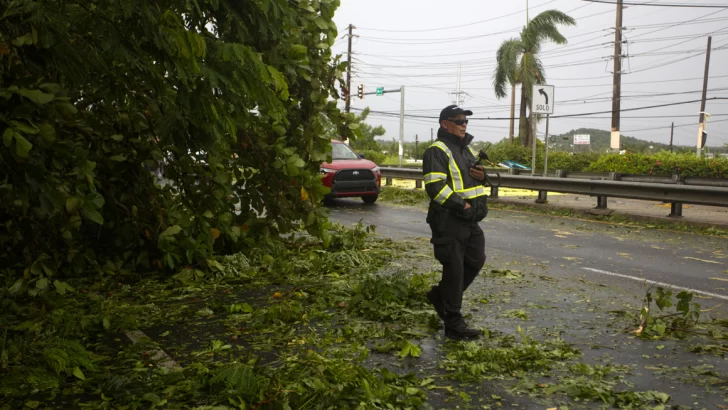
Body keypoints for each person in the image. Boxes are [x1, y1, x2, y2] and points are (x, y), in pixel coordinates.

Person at [422, 104, 488, 340]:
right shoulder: (436, 150)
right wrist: (462, 205)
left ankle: (441, 297)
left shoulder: (464, 150)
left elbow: (470, 180)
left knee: (476, 260)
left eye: (465, 121)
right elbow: (435, 187)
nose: (464, 125)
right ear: (445, 124)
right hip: (450, 219)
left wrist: (483, 176)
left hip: (470, 220)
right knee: (455, 270)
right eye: (458, 121)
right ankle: (453, 323)